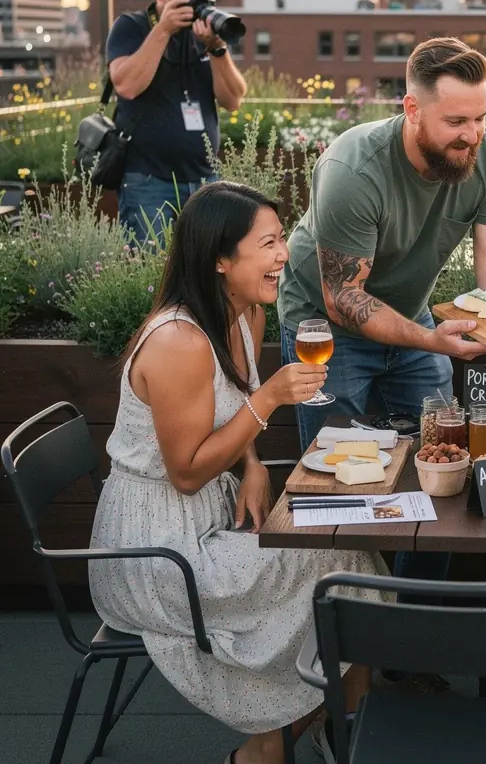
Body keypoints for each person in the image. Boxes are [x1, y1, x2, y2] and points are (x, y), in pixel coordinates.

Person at [89, 182, 388, 764]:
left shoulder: (246, 314)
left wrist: (251, 463)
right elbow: (186, 472)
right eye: (270, 243)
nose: (284, 255)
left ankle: (345, 730)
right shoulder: (178, 341)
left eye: (282, 240)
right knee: (344, 570)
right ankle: (274, 748)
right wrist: (273, 398)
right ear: (221, 260)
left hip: (215, 515)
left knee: (349, 558)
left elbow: (230, 410)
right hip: (158, 550)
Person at [277, 36, 486, 591]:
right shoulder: (354, 169)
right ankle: (345, 633)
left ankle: (411, 629)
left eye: (482, 117)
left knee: (443, 470)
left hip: (411, 319)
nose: (474, 134)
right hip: (324, 325)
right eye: (457, 120)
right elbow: (345, 298)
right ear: (411, 109)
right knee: (337, 478)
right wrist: (435, 340)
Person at [107, 0, 247, 244]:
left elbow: (233, 99)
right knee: (148, 274)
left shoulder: (201, 36)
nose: (194, 8)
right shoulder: (131, 27)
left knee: (204, 272)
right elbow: (127, 86)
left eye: (201, 0)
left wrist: (217, 48)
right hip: (147, 181)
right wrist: (163, 30)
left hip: (204, 180)